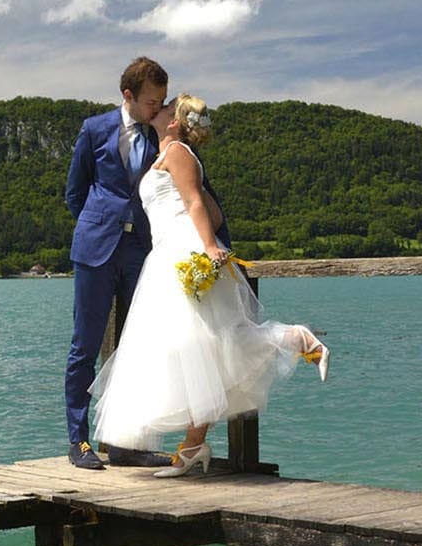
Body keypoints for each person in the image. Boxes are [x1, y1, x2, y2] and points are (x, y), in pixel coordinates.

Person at [90, 94, 329, 476]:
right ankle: (192, 447)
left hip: (184, 254)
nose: (159, 108)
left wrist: (208, 247)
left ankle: (299, 338)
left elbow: (199, 207)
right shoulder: (165, 155)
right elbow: (210, 207)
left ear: (174, 121)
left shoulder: (179, 152)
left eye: (166, 107)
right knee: (194, 349)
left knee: (207, 342)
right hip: (167, 252)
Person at [63, 57, 172, 470]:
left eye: (162, 100)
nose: (157, 108)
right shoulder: (94, 129)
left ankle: (128, 443)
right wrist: (100, 226)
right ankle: (80, 441)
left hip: (140, 252)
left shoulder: (162, 131)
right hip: (95, 249)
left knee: (137, 348)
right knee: (84, 347)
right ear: (128, 95)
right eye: (151, 101)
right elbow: (75, 192)